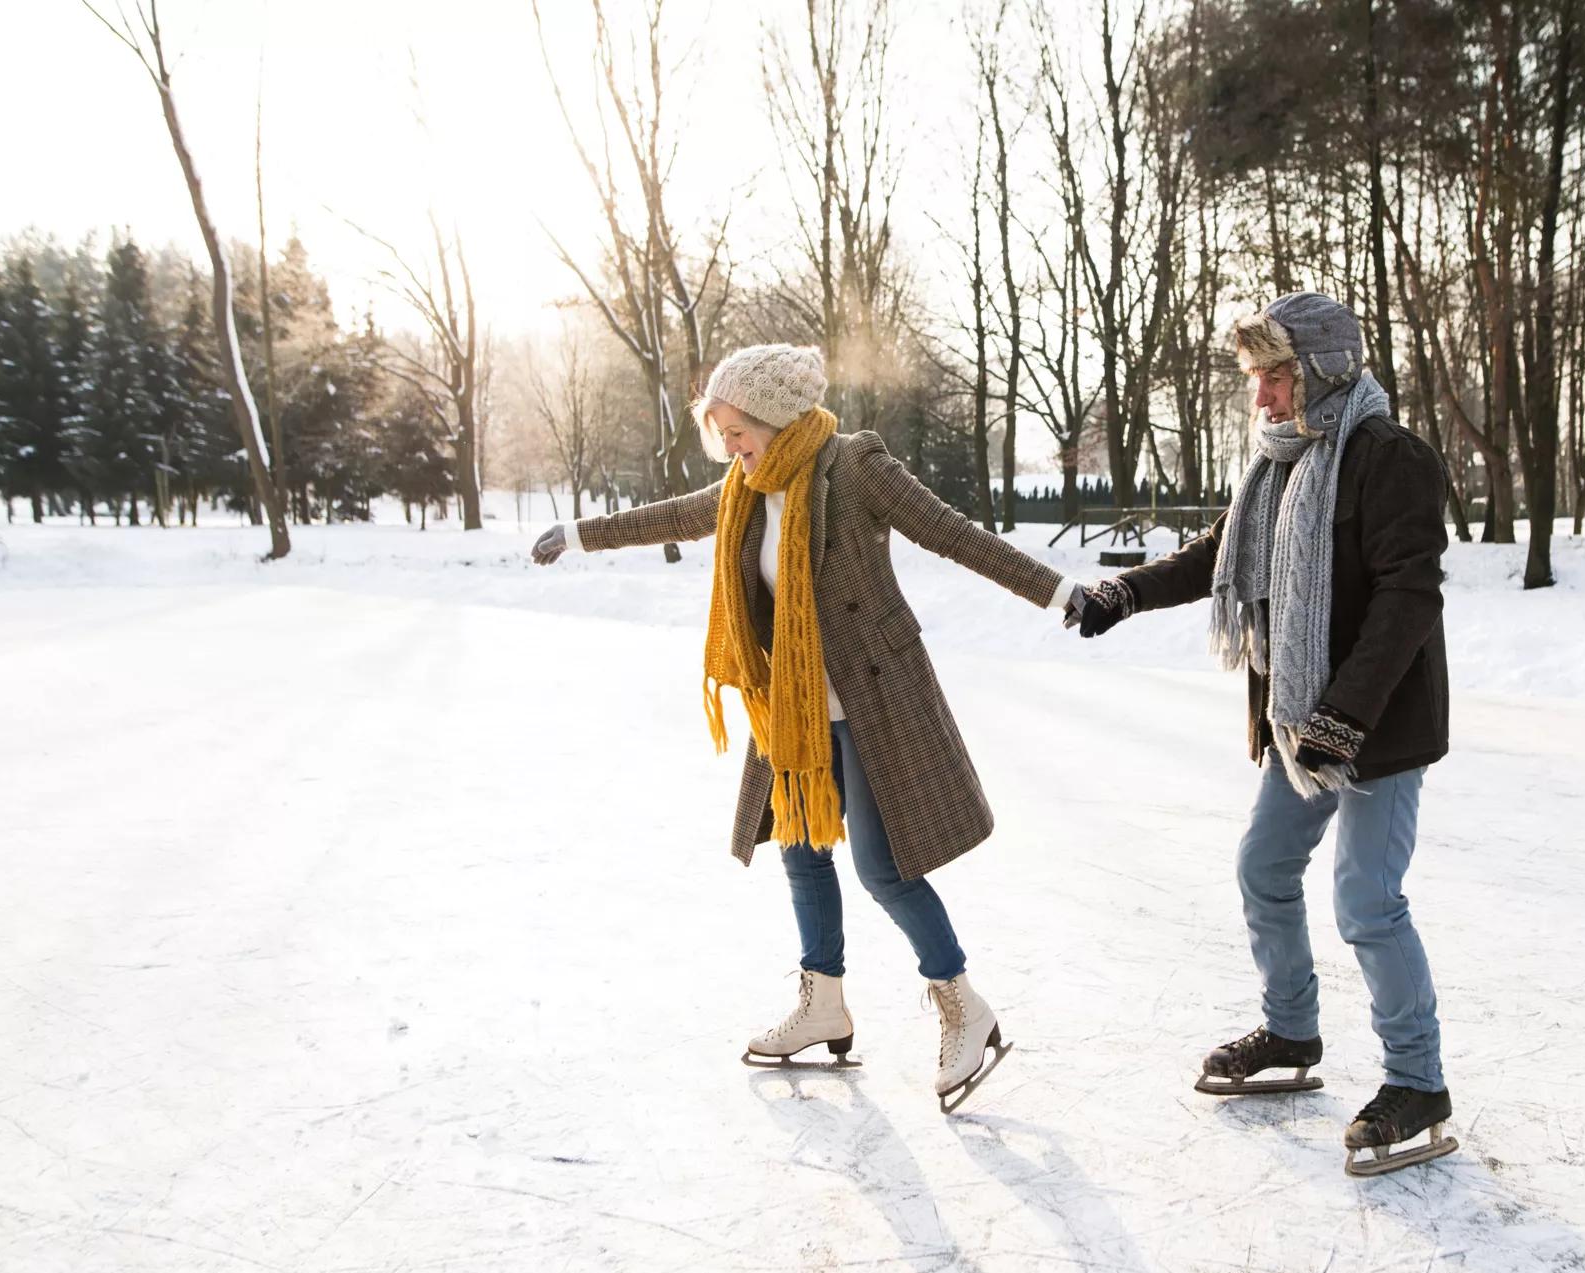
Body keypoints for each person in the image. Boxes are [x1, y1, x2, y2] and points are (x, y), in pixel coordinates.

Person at [532, 343, 1075, 1112]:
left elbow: (952, 532)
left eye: (734, 431)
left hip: (873, 698)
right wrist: (579, 533)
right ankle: (824, 1002)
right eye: (720, 434)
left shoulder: (853, 467)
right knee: (799, 849)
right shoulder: (744, 490)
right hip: (791, 708)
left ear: (769, 415)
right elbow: (675, 513)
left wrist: (1057, 592)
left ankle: (962, 1002)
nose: (729, 448)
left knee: (883, 869)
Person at [1067, 294, 1458, 1175]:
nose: (1262, 400)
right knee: (1264, 868)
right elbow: (1219, 555)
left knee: (1367, 902)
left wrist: (1343, 716)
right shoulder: (1278, 466)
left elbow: (1407, 600)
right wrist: (1125, 592)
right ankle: (1291, 1030)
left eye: (1274, 377)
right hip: (1297, 723)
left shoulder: (1389, 458)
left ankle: (1418, 1079)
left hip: (1377, 728)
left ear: (1318, 370)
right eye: (1255, 380)